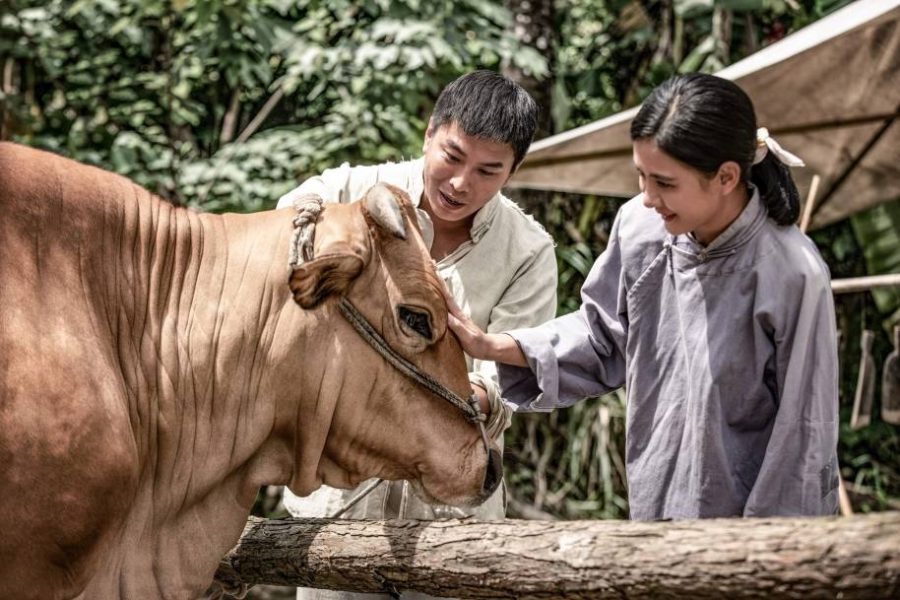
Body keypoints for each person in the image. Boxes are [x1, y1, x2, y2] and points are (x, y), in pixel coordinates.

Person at [447, 73, 840, 520]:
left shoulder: (792, 272)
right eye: (641, 176)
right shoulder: (641, 228)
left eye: (665, 183)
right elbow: (603, 338)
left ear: (727, 176)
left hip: (751, 529)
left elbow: (804, 433)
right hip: (651, 507)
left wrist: (769, 554)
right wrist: (497, 346)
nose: (648, 197)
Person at [276, 70, 558, 599]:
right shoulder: (346, 191)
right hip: (339, 501)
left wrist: (461, 391)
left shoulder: (528, 252)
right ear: (429, 133)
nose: (460, 183)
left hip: (452, 514)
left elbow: (508, 383)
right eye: (451, 156)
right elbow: (281, 235)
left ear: (513, 172)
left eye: (487, 170)